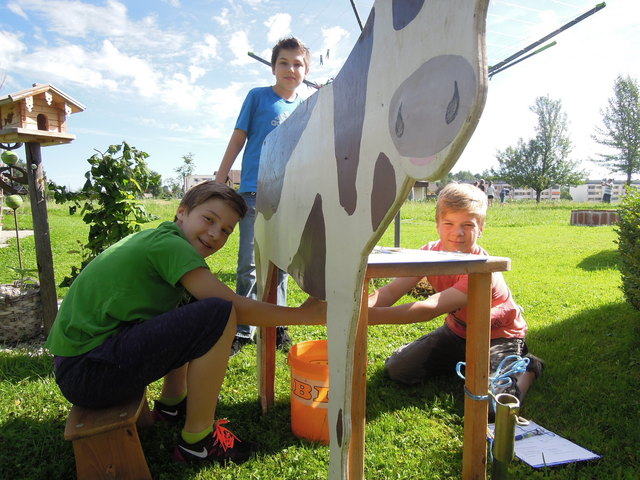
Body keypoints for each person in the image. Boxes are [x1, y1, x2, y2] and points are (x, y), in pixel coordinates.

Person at [45, 181, 325, 465]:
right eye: (209, 219)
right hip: (87, 373)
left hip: (84, 365)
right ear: (181, 213)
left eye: (226, 230)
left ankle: (172, 405)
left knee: (198, 304)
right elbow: (235, 308)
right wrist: (304, 315)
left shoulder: (164, 239)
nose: (215, 233)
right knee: (218, 312)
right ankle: (197, 442)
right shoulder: (169, 246)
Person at [368, 183, 543, 416]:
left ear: (481, 227)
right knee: (398, 369)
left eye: (467, 225)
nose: (457, 233)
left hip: (497, 337)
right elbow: (391, 292)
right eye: (449, 223)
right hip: (457, 331)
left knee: (492, 407)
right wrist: (357, 309)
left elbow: (429, 308)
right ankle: (466, 362)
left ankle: (529, 367)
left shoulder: (482, 270)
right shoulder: (428, 253)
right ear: (437, 225)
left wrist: (369, 317)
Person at [215, 36, 311, 355]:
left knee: (280, 264)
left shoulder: (307, 107)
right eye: (284, 62)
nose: (291, 68)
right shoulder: (257, 98)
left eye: (298, 63)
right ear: (273, 67)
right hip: (254, 194)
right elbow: (239, 138)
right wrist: (220, 176)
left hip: (288, 197)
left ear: (305, 70)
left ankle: (277, 326)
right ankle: (244, 329)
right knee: (249, 264)